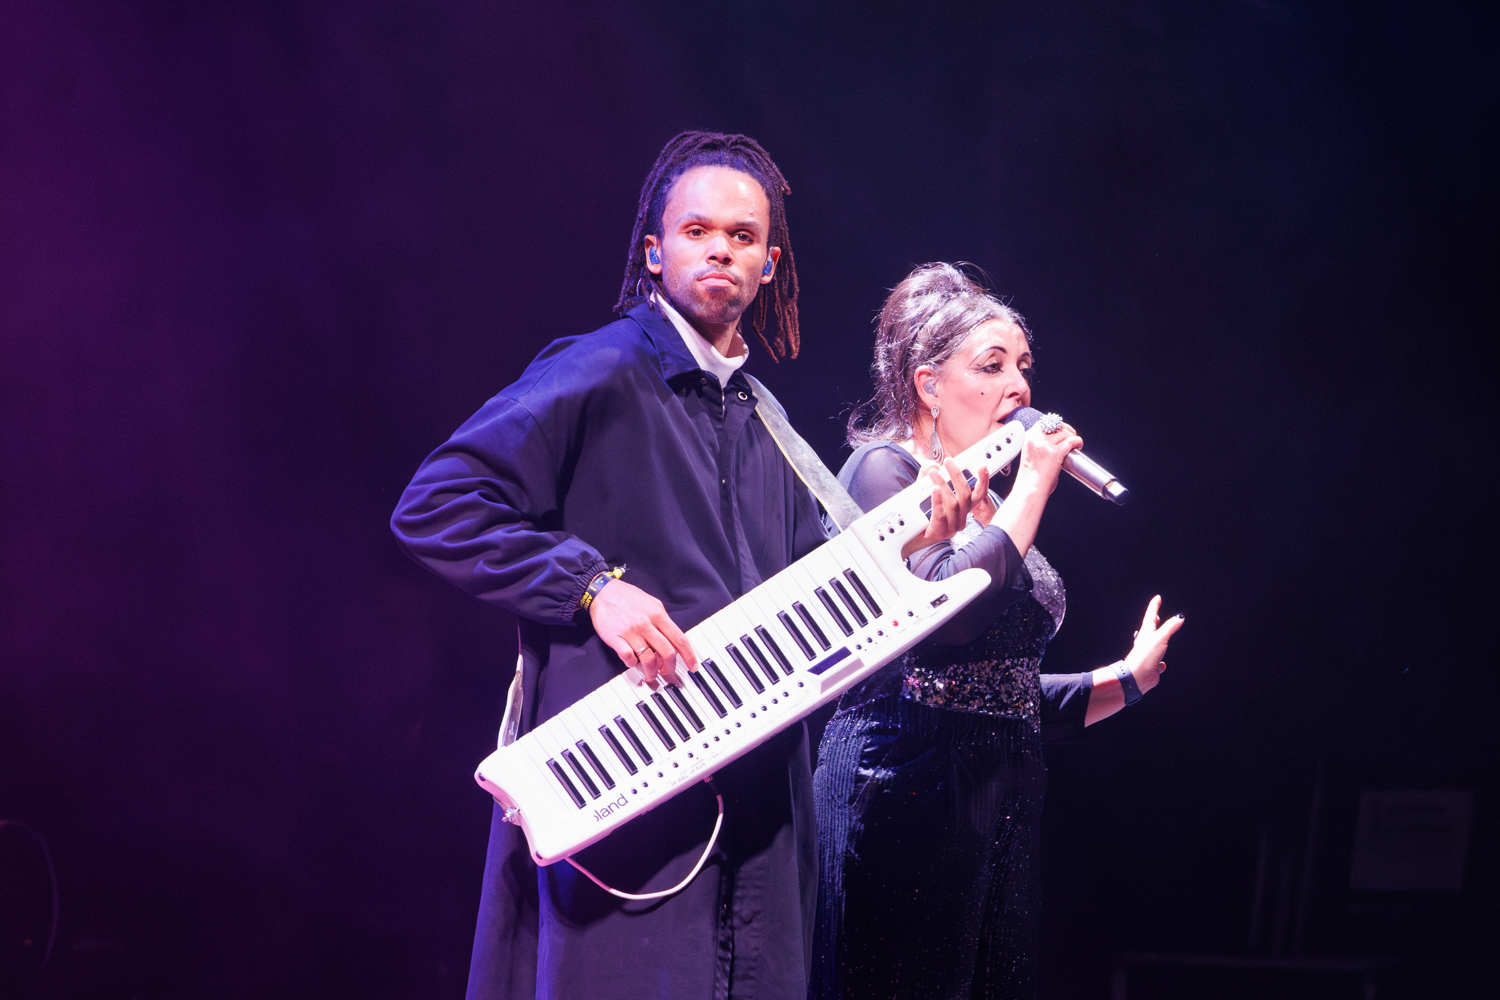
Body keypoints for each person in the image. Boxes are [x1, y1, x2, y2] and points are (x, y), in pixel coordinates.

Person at [389, 133, 979, 1000]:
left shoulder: (766, 417)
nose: (720, 250)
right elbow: (438, 503)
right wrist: (591, 588)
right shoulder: (601, 368)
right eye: (697, 231)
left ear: (769, 265)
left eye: (742, 237)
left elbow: (807, 588)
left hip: (757, 805)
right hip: (628, 784)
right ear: (655, 252)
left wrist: (917, 540)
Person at [810, 263, 1186, 1000]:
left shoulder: (988, 505)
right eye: (992, 366)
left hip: (998, 790)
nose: (1019, 386)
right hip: (902, 784)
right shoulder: (883, 472)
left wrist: (1127, 681)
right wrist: (1037, 481)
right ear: (928, 385)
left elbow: (997, 690)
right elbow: (949, 625)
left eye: (1023, 366)